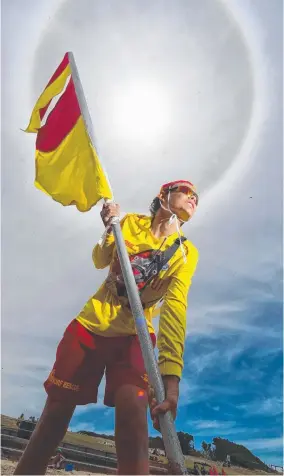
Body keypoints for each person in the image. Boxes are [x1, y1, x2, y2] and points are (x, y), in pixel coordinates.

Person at [14, 180, 199, 475]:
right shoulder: (129, 223)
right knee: (55, 416)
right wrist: (108, 228)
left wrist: (170, 376)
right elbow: (100, 260)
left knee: (134, 412)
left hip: (134, 337)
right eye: (185, 191)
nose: (193, 198)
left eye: (196, 196)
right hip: (89, 327)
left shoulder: (185, 253)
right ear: (162, 195)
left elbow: (176, 310)